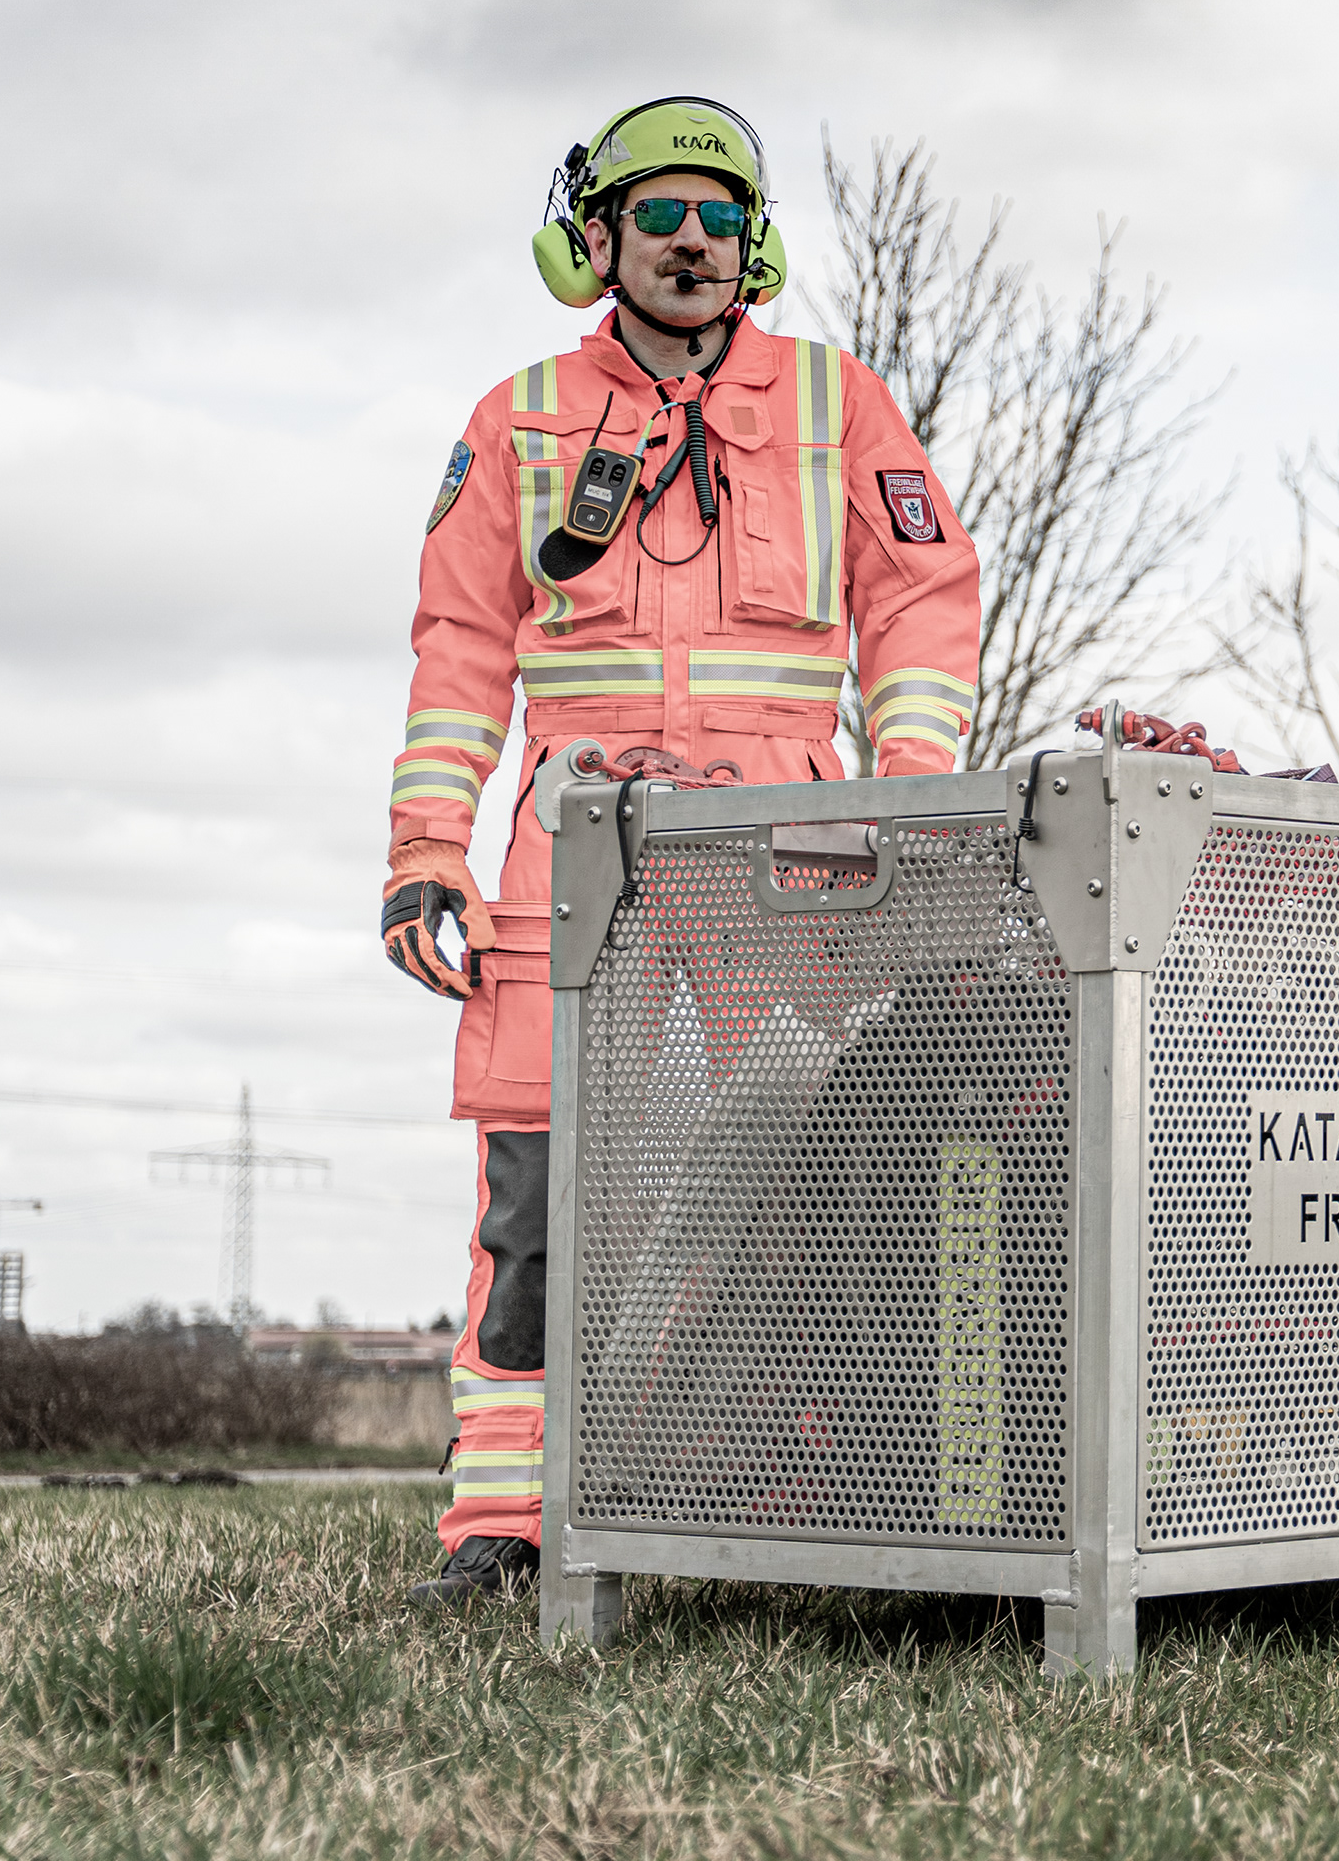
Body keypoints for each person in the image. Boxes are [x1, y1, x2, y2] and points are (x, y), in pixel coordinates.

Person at [383, 98, 980, 1608]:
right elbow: (460, 651)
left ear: (754, 242)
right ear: (599, 241)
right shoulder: (515, 418)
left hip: (791, 844)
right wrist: (425, 847)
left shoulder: (839, 403)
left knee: (825, 1171)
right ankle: (505, 1528)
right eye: (663, 216)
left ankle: (816, 1482)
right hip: (571, 844)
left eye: (721, 217)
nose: (696, 241)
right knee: (535, 1191)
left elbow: (923, 596)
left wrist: (909, 785)